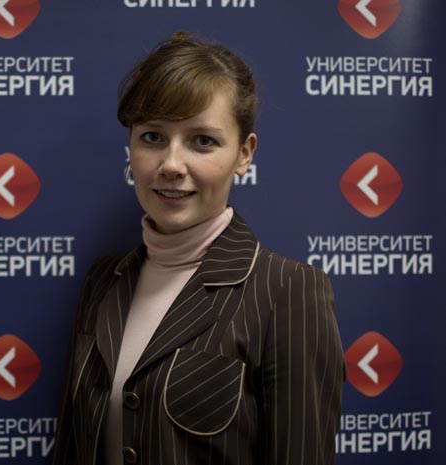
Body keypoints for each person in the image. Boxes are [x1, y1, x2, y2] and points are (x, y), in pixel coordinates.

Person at [53, 32, 345, 465]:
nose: (172, 164)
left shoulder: (288, 292)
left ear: (244, 154)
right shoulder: (103, 279)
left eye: (202, 141)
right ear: (130, 146)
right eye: (153, 136)